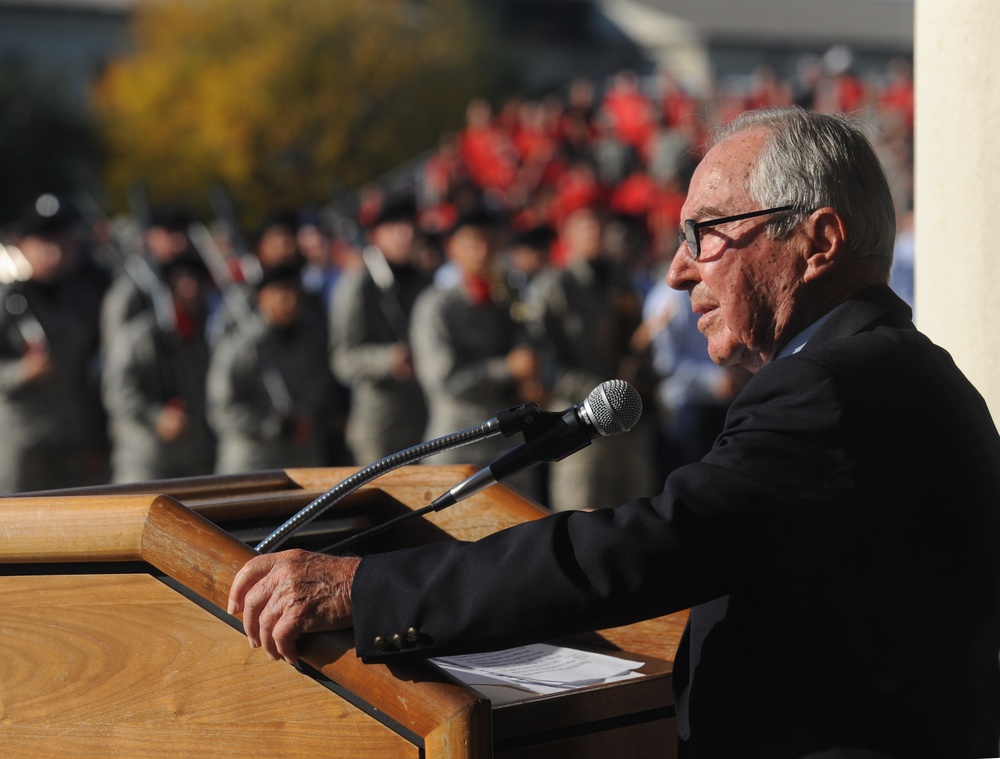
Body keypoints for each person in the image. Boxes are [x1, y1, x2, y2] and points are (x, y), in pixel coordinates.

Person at [229, 107, 1000, 759]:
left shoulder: (828, 385)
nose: (676, 270)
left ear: (820, 240)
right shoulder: (914, 370)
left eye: (705, 232)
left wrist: (362, 587)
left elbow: (654, 548)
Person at [408, 205, 545, 500]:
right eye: (472, 243)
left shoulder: (507, 298)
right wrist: (507, 369)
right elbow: (445, 379)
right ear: (452, 249)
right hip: (458, 444)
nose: (483, 251)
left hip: (510, 447)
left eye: (490, 242)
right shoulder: (436, 306)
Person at [0, 195, 106, 492]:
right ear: (22, 245)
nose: (54, 252)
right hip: (21, 442)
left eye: (62, 242)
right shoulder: (8, 300)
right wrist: (21, 372)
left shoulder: (84, 297)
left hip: (73, 440)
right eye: (44, 242)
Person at [328, 192, 431, 466]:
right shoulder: (358, 286)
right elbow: (342, 359)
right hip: (381, 427)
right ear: (376, 235)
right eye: (396, 226)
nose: (406, 233)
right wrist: (388, 360)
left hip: (425, 420)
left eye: (411, 224)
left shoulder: (421, 279)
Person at [207, 260, 335, 473]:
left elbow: (319, 390)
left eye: (295, 293)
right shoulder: (242, 346)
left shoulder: (309, 339)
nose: (290, 301)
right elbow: (222, 410)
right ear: (262, 298)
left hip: (301, 457)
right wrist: (273, 427)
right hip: (253, 462)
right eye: (282, 294)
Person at [102, 253, 216, 482]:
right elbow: (118, 391)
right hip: (145, 460)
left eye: (196, 280)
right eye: (182, 282)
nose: (190, 288)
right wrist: (157, 416)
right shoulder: (138, 336)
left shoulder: (205, 334)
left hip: (194, 460)